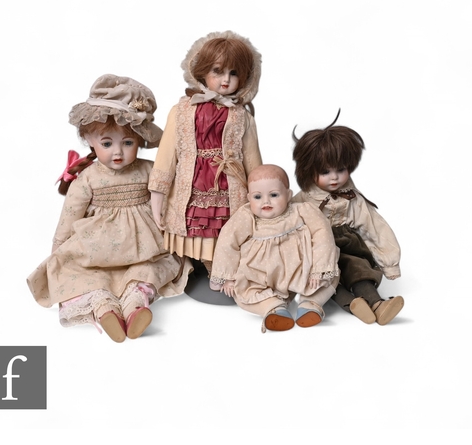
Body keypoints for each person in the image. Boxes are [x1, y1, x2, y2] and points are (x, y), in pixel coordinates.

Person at [26, 74, 190, 342]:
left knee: (146, 270)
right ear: (89, 139)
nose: (118, 152)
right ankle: (105, 307)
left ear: (140, 140)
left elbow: (169, 198)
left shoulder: (150, 170)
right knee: (94, 274)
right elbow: (70, 214)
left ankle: (135, 305)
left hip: (141, 249)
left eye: (128, 142)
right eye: (107, 143)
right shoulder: (87, 178)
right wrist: (59, 247)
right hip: (110, 250)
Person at [148, 30, 262, 290]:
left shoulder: (242, 116)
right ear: (201, 71)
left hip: (229, 185)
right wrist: (157, 195)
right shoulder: (181, 111)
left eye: (234, 73)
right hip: (191, 183)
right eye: (217, 71)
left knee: (227, 227)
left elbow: (253, 160)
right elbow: (166, 155)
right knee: (195, 223)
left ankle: (222, 267)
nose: (226, 80)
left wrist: (261, 192)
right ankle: (201, 266)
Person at [292, 110, 404, 325]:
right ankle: (354, 304)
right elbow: (287, 224)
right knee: (326, 279)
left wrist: (390, 262)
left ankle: (377, 304)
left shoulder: (353, 198)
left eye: (341, 169)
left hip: (348, 244)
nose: (334, 177)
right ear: (308, 170)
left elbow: (374, 226)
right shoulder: (302, 200)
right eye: (325, 172)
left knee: (358, 268)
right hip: (318, 250)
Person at [210, 164, 340, 332]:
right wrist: (228, 277)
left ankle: (310, 304)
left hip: (301, 270)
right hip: (260, 275)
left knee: (330, 276)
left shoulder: (302, 210)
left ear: (288, 195)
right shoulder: (246, 217)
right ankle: (273, 308)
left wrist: (319, 269)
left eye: (274, 195)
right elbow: (227, 242)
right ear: (249, 198)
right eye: (257, 196)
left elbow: (322, 233)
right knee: (243, 293)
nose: (266, 201)